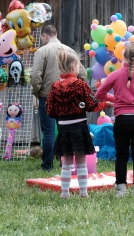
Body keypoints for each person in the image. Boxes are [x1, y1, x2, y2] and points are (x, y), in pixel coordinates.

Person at [46, 49, 113, 198]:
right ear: (73, 67)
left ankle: (64, 193)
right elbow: (92, 105)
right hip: (79, 127)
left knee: (67, 163)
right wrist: (106, 104)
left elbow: (49, 110)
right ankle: (84, 193)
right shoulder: (81, 85)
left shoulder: (55, 87)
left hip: (63, 128)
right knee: (81, 162)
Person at [96, 41, 134, 197]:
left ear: (124, 57)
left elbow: (99, 94)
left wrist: (116, 99)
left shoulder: (114, 75)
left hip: (121, 121)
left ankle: (121, 188)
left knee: (121, 155)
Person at [31, 25, 87, 171]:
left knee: (48, 132)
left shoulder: (41, 51)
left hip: (47, 95)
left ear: (44, 36)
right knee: (65, 130)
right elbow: (82, 73)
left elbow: (36, 75)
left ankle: (47, 165)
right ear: (55, 34)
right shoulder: (69, 50)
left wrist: (36, 92)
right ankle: (65, 163)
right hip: (68, 97)